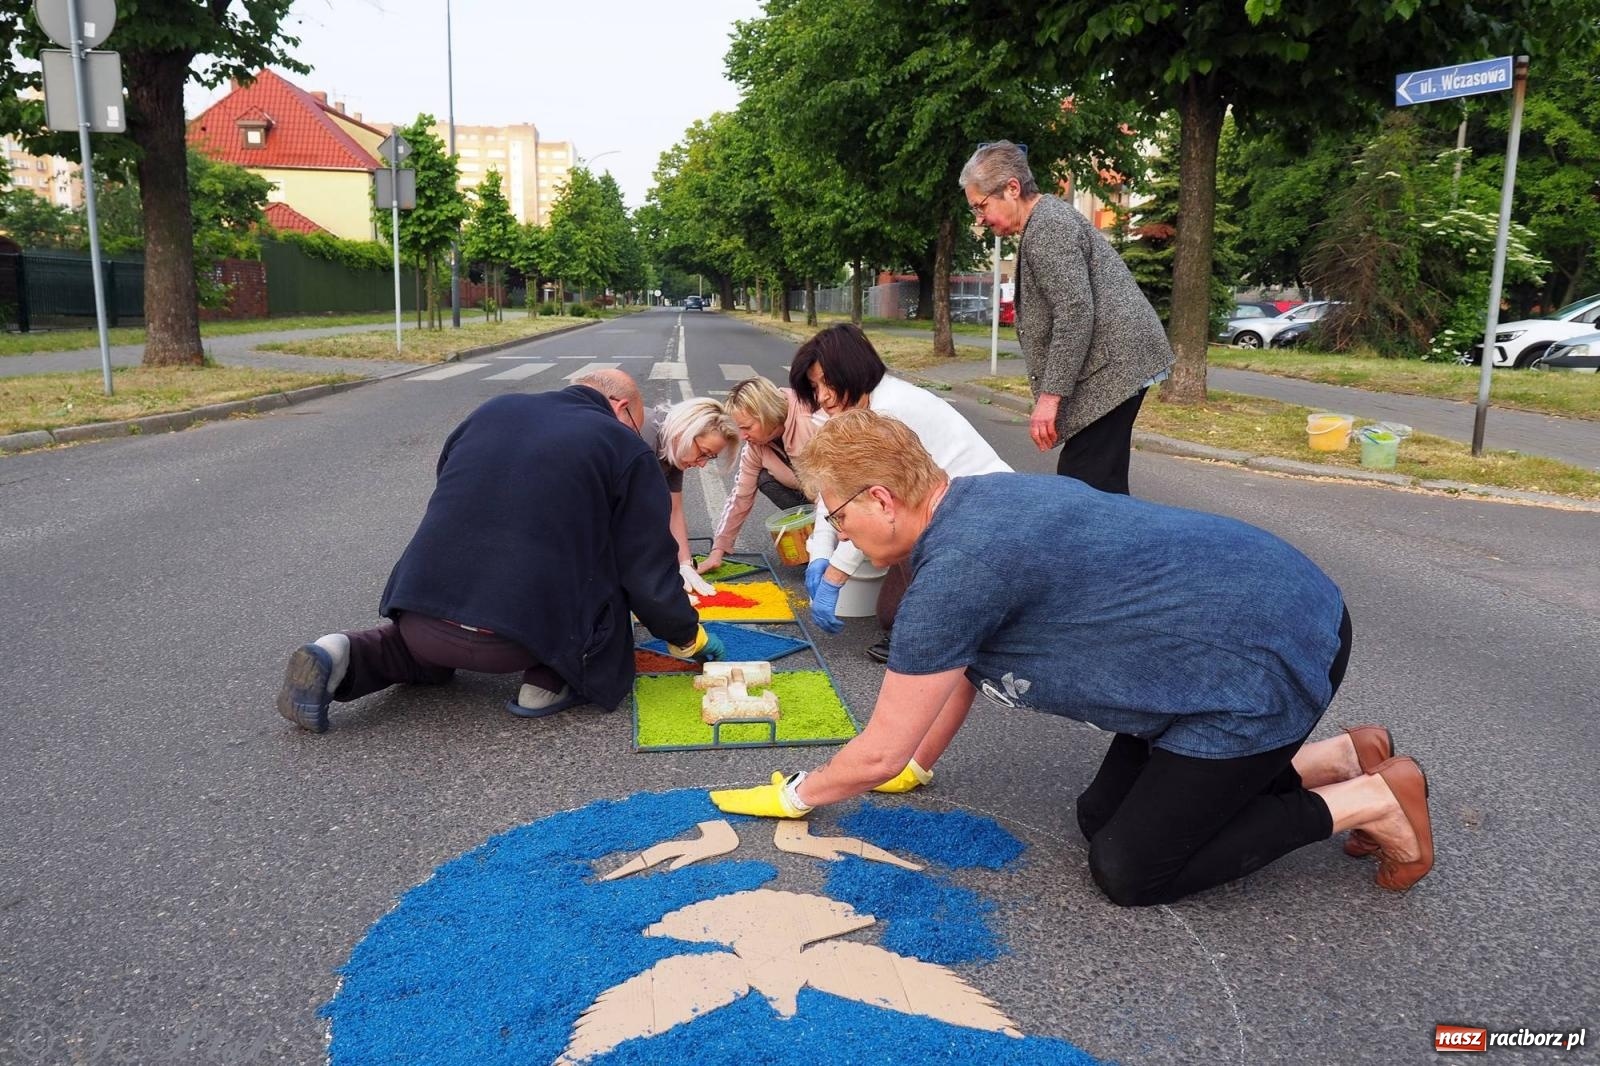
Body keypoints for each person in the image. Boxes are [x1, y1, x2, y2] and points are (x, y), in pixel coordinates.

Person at [710, 411, 1434, 905]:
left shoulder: (956, 573)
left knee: (1131, 869)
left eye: (834, 518)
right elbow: (955, 673)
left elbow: (876, 750)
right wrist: (917, 763)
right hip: (1247, 620)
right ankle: (1337, 756)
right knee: (1099, 815)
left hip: (1261, 659)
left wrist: (798, 794)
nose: (837, 537)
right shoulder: (979, 500)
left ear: (881, 497)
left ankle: (1370, 798)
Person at [274, 370, 724, 734]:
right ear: (622, 408)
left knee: (416, 648)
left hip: (419, 616)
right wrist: (687, 636)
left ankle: (337, 652)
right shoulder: (623, 445)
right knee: (606, 572)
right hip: (516, 642)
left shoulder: (492, 409)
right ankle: (551, 680)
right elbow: (645, 567)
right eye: (634, 422)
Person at [961, 140, 1175, 495]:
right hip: (1118, 361)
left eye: (981, 206)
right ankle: (1116, 546)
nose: (980, 219)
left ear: (1012, 188)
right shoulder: (1044, 221)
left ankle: (1109, 548)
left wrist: (1050, 397)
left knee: (1083, 488)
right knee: (1096, 484)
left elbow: (1074, 314)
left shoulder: (1047, 228)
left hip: (1117, 364)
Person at [789, 323, 1009, 660]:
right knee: (891, 614)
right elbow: (834, 489)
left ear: (853, 369)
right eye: (815, 387)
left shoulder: (887, 413)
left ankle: (973, 626)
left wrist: (835, 575)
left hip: (983, 516)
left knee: (906, 617)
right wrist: (819, 552)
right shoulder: (856, 412)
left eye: (828, 383)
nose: (822, 398)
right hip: (932, 512)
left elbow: (871, 508)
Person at [697, 377, 817, 577]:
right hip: (811, 494)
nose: (742, 436)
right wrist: (718, 550)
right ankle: (816, 537)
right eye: (739, 429)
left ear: (767, 414)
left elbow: (839, 486)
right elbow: (740, 497)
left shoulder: (809, 423)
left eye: (747, 427)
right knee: (764, 479)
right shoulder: (756, 446)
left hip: (844, 494)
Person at [639, 397, 740, 597]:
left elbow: (674, 509)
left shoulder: (675, 450)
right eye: (703, 452)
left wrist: (685, 563)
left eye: (709, 457)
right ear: (686, 432)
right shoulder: (646, 440)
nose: (702, 464)